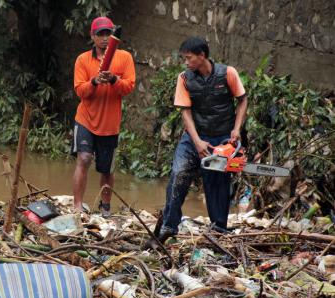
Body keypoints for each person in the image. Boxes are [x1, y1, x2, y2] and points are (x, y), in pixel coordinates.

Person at [152, 36, 248, 244]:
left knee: (217, 182)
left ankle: (218, 229)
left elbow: (242, 99)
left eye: (189, 58)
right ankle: (169, 226)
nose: (186, 62)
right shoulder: (185, 78)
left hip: (222, 136)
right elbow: (185, 112)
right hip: (193, 135)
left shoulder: (227, 73)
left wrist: (236, 129)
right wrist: (196, 141)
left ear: (202, 56)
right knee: (178, 173)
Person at [72, 16, 135, 217]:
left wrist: (114, 79)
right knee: (83, 158)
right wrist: (94, 82)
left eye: (109, 33)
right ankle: (77, 205)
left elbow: (128, 87)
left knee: (106, 169)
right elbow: (80, 91)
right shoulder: (82, 59)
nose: (105, 38)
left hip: (110, 124)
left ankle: (105, 207)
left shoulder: (124, 57)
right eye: (101, 34)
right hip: (86, 119)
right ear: (93, 37)